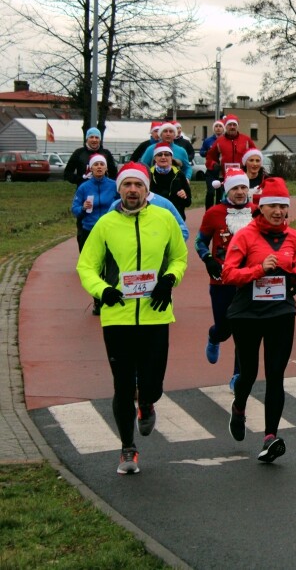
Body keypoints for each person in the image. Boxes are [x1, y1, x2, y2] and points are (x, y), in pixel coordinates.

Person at [75, 162, 188, 476]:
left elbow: (179, 257)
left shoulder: (165, 219)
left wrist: (169, 279)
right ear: (119, 189)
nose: (133, 190)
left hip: (155, 315)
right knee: (123, 385)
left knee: (152, 385)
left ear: (146, 189)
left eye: (138, 185)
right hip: (118, 318)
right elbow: (86, 266)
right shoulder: (106, 224)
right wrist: (103, 290)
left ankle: (148, 403)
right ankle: (128, 447)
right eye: (127, 186)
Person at [222, 177, 296, 463]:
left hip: (280, 311)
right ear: (260, 207)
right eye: (272, 205)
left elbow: (292, 267)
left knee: (276, 374)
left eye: (283, 206)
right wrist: (258, 269)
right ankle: (239, 408)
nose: (278, 211)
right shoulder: (245, 236)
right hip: (247, 313)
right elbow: (227, 274)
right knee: (249, 373)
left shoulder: (293, 237)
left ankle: (270, 437)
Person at [197, 168, 256, 391]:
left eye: (243, 187)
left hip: (249, 280)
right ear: (227, 190)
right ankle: (214, 336)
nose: (240, 192)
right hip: (221, 280)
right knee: (225, 329)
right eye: (235, 188)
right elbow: (199, 242)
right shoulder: (214, 213)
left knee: (244, 331)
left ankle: (238, 376)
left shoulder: (257, 211)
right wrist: (208, 259)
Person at [70, 153, 119, 315]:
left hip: (110, 231)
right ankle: (97, 300)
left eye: (101, 165)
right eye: (95, 164)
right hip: (89, 231)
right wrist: (83, 207)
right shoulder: (84, 187)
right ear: (90, 168)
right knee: (95, 268)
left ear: (106, 168)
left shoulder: (114, 186)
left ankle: (111, 297)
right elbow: (75, 210)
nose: (99, 167)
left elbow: (122, 203)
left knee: (111, 267)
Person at [147, 144, 192, 220]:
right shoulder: (149, 175)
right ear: (155, 158)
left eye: (167, 155)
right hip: (154, 218)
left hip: (175, 218)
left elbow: (188, 202)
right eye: (160, 155)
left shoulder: (179, 175)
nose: (163, 157)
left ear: (171, 158)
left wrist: (184, 196)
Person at [201, 120, 226, 209]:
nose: (218, 128)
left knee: (220, 192)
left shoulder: (226, 140)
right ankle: (208, 211)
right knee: (211, 192)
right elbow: (202, 152)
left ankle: (218, 210)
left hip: (222, 171)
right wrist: (208, 152)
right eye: (216, 126)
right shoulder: (208, 141)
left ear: (223, 129)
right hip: (211, 170)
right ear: (213, 129)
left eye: (220, 126)